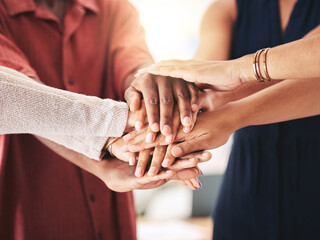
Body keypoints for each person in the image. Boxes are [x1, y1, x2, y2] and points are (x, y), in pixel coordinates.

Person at [0, 0, 206, 239]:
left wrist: (153, 91)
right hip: (33, 213)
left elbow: (135, 67)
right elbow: (26, 102)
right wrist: (105, 160)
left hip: (112, 219)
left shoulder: (114, 8)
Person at [125, 0, 320, 239]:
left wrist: (229, 105)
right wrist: (174, 112)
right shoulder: (227, 8)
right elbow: (203, 86)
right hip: (244, 195)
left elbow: (311, 68)